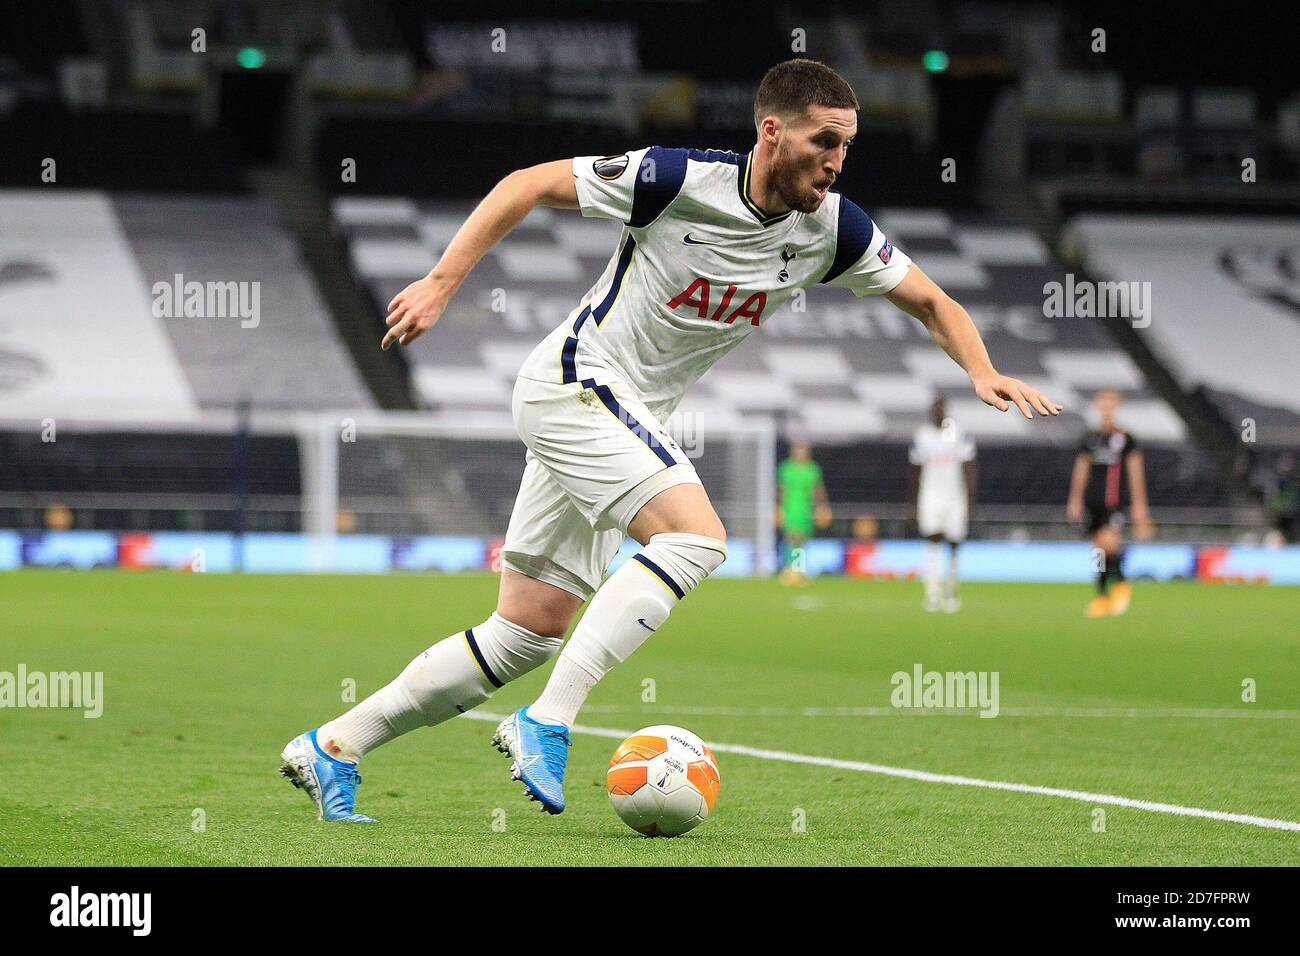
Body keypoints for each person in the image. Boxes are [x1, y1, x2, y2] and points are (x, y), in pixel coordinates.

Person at [279, 58, 1061, 822]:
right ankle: (549, 722)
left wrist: (982, 370)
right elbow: (528, 183)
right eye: (824, 141)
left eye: (847, 145)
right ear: (772, 131)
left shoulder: (833, 230)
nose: (837, 161)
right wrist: (444, 281)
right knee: (698, 538)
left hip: (615, 415)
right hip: (576, 382)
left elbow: (932, 302)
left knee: (526, 631)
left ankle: (335, 747)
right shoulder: (677, 180)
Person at [1067, 389, 1152, 617]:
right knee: (1098, 552)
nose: (1105, 408)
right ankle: (1102, 596)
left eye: (1109, 403)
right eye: (1102, 403)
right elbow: (1081, 470)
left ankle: (1121, 583)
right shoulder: (1090, 439)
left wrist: (1139, 504)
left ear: (1115, 407)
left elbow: (1135, 472)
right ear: (1097, 406)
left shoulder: (1125, 439)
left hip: (1114, 502)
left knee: (1108, 545)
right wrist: (1075, 499)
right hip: (1091, 502)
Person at [909, 399, 976, 612]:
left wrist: (969, 499)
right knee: (932, 540)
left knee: (954, 542)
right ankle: (932, 592)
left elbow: (970, 467)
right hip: (930, 495)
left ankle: (951, 589)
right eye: (934, 410)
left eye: (941, 410)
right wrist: (912, 502)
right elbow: (914, 470)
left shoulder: (958, 434)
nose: (937, 414)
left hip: (955, 496)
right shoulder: (922, 436)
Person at [776, 440, 831, 585]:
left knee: (801, 541)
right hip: (790, 509)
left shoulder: (812, 469)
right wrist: (778, 508)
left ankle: (798, 569)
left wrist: (822, 507)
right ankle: (788, 569)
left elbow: (817, 491)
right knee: (791, 538)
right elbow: (781, 491)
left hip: (806, 510)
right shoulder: (786, 468)